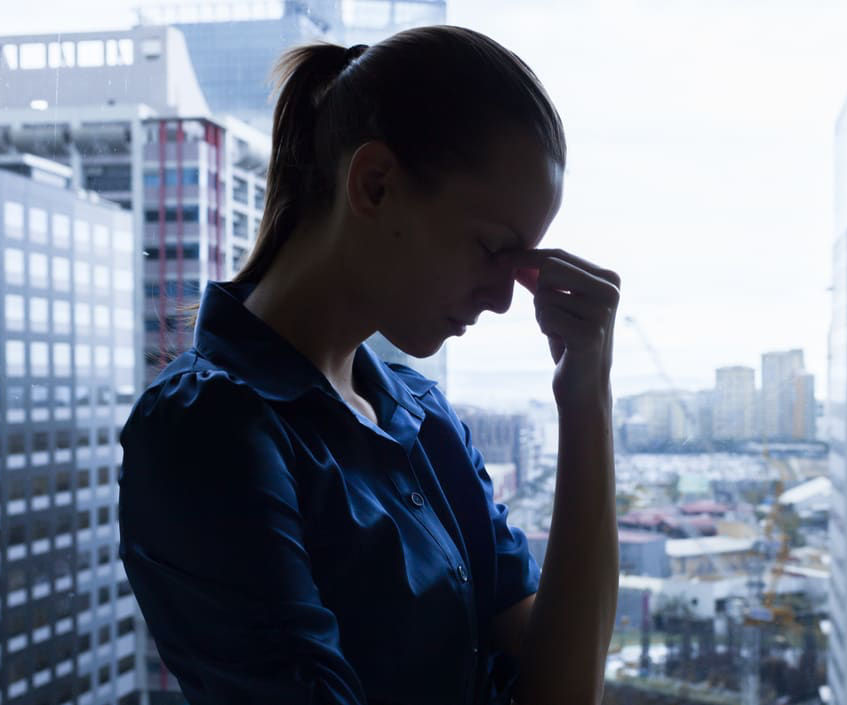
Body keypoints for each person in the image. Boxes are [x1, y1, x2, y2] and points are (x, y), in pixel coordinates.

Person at [118, 25, 621, 705]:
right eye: (490, 249)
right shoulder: (207, 430)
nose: (505, 299)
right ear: (376, 184)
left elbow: (564, 693)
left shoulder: (423, 417)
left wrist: (587, 398)